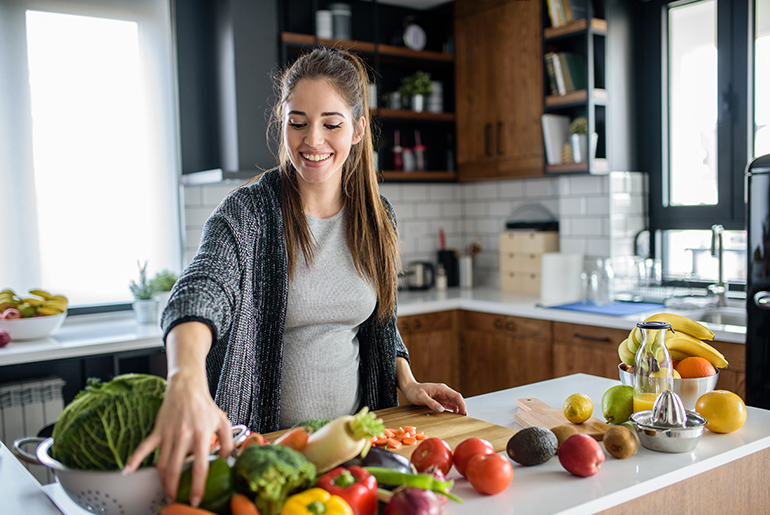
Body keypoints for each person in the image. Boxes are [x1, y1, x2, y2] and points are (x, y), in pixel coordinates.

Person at [124, 47, 466, 507]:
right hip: (263, 457)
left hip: (353, 455)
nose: (313, 140)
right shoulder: (246, 214)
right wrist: (185, 375)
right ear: (282, 122)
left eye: (331, 123)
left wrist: (406, 380)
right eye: (298, 121)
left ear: (358, 129)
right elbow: (202, 289)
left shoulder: (378, 218)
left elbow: (381, 322)